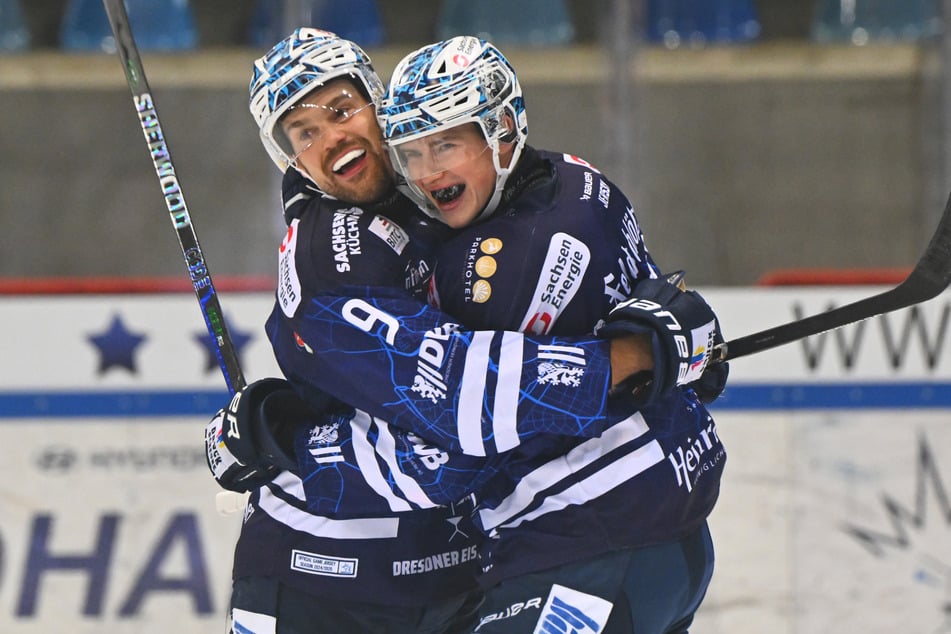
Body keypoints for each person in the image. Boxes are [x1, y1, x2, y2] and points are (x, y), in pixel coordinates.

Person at [209, 27, 709, 634]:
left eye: (341, 111)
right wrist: (288, 440)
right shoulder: (337, 259)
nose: (332, 138)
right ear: (289, 159)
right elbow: (452, 444)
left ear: (378, 101)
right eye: (304, 134)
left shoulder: (466, 206)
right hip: (320, 575)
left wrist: (683, 342)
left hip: (485, 568)